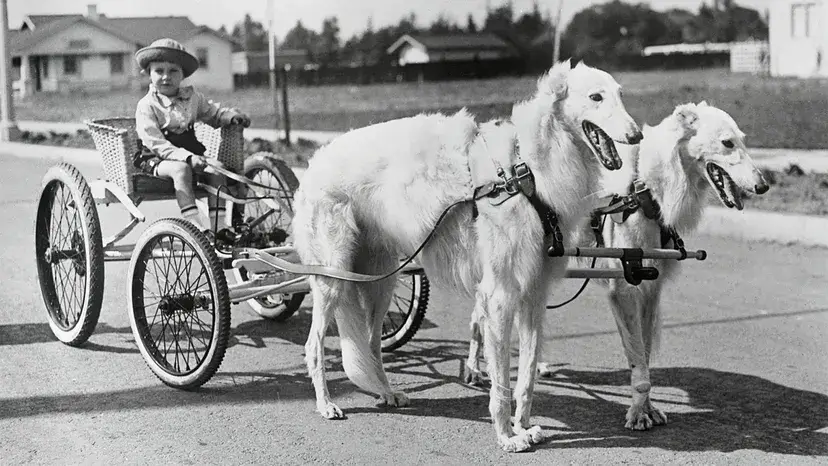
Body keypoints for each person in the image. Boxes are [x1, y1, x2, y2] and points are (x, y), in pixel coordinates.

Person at [133, 37, 250, 235]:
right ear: (149, 73)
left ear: (183, 75)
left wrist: (231, 117)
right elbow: (155, 142)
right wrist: (187, 157)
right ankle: (195, 224)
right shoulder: (147, 105)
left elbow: (213, 112)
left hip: (191, 153)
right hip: (157, 158)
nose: (165, 77)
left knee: (217, 169)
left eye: (173, 71)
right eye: (159, 71)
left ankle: (219, 226)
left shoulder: (192, 98)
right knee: (181, 170)